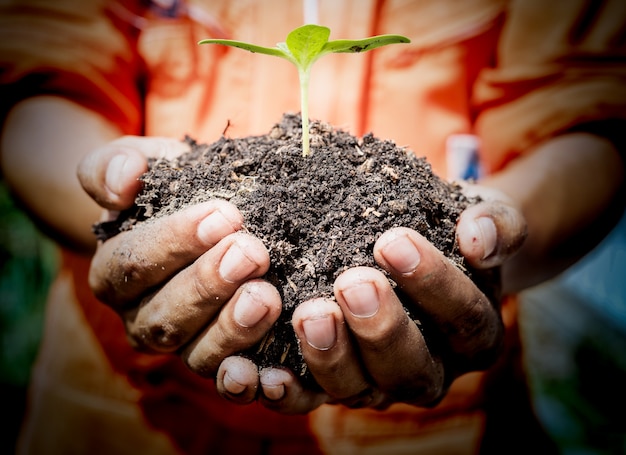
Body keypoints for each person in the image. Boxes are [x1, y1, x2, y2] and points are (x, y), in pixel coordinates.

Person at [0, 0, 624, 453]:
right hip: (123, 418)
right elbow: (42, 75)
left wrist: (491, 247)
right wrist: (126, 207)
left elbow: (589, 106)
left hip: (433, 435)